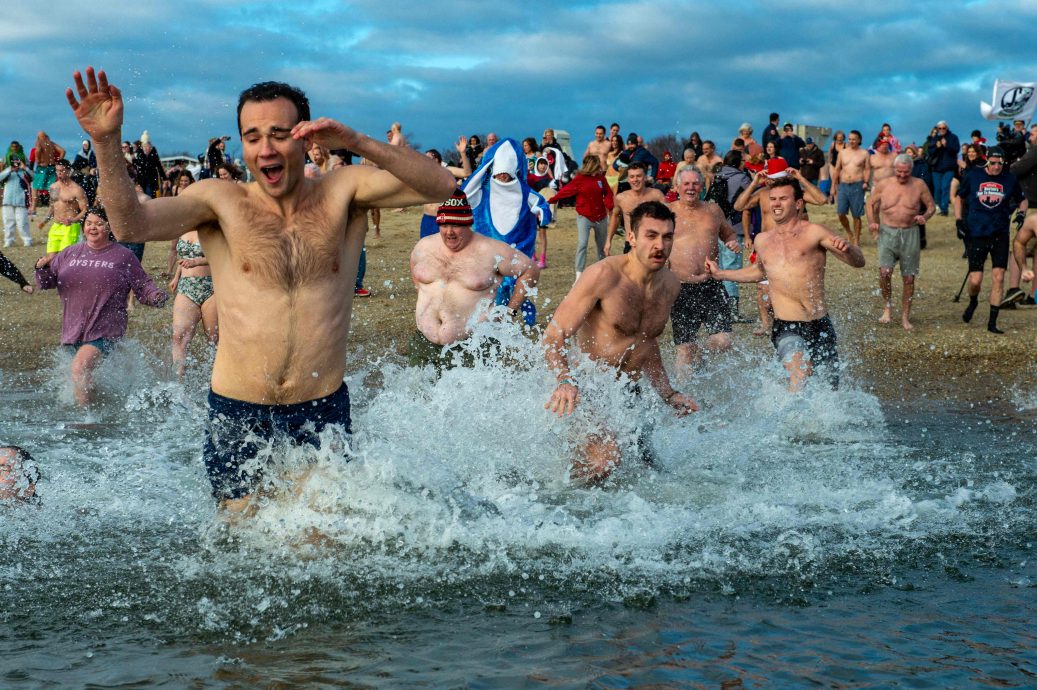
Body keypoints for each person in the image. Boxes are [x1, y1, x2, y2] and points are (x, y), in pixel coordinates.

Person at [66, 67, 455, 509]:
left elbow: (443, 185)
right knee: (241, 546)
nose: (265, 148)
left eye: (278, 134)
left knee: (316, 546)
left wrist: (357, 141)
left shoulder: (344, 192)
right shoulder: (220, 201)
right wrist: (105, 142)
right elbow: (131, 222)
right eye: (251, 137)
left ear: (306, 138)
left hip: (318, 408)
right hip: (237, 409)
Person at [543, 200, 697, 482]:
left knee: (650, 472)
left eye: (667, 236)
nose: (660, 245)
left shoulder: (670, 285)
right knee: (604, 462)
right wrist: (564, 380)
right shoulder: (604, 276)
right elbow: (554, 336)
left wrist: (668, 394)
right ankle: (564, 508)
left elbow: (647, 343)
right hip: (588, 387)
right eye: (651, 236)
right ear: (632, 238)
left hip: (630, 392)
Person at [708, 177, 865, 390]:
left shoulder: (814, 232)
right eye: (772, 199)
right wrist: (721, 274)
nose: (775, 204)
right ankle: (791, 422)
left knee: (830, 391)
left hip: (820, 324)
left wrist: (849, 249)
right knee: (800, 374)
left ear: (798, 203)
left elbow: (858, 262)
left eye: (783, 199)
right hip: (786, 326)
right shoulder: (762, 240)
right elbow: (759, 272)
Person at [34, 207, 168, 406]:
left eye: (98, 223)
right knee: (84, 377)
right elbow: (46, 283)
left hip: (105, 328)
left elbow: (142, 285)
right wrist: (41, 268)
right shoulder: (69, 253)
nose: (92, 228)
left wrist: (155, 296)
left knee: (80, 368)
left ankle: (86, 422)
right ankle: (100, 410)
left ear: (109, 227)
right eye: (89, 223)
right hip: (73, 328)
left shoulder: (123, 256)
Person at [409, 190, 539, 367]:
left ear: (468, 224)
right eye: (444, 225)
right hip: (424, 343)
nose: (449, 232)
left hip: (472, 346)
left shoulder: (491, 250)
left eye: (456, 225)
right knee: (418, 392)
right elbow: (418, 282)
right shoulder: (423, 247)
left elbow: (530, 269)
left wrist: (510, 312)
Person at [667, 166, 740, 372]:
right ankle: (681, 399)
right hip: (679, 288)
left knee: (723, 341)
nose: (691, 188)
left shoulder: (713, 210)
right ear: (678, 187)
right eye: (686, 184)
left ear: (702, 186)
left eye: (695, 183)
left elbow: (729, 234)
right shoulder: (668, 211)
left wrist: (732, 242)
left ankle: (699, 354)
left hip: (711, 285)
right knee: (684, 350)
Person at [954, 147, 1027, 333]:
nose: (996, 167)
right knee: (976, 280)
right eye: (993, 163)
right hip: (976, 233)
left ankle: (992, 322)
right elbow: (959, 198)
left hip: (1000, 233)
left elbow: (1022, 200)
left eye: (999, 163)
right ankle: (973, 302)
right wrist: (958, 221)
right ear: (987, 161)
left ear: (1004, 162)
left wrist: (1021, 214)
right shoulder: (973, 175)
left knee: (999, 277)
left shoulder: (1009, 179)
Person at [866, 153, 936, 330]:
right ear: (894, 169)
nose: (903, 175)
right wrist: (872, 222)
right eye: (899, 172)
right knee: (884, 272)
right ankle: (887, 307)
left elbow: (931, 206)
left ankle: (905, 316)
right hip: (887, 232)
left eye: (906, 172)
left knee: (908, 278)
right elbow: (870, 203)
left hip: (910, 233)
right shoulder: (884, 184)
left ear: (911, 170)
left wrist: (925, 216)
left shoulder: (919, 185)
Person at [167, 173, 218, 378]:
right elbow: (183, 256)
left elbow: (224, 256)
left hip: (211, 287)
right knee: (179, 336)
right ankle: (177, 384)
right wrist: (177, 275)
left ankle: (217, 382)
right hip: (187, 286)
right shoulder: (183, 227)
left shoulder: (213, 228)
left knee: (214, 340)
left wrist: (198, 262)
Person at [547, 154, 614, 281]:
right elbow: (566, 190)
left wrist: (610, 204)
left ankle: (604, 273)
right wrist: (552, 200)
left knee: (601, 246)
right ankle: (579, 274)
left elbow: (608, 193)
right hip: (584, 217)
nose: (599, 167)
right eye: (597, 165)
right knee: (582, 244)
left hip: (601, 217)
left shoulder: (601, 178)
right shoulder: (580, 179)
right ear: (591, 166)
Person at [605, 162, 666, 256]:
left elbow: (669, 219)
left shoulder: (657, 195)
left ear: (645, 177)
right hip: (631, 244)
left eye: (639, 176)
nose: (635, 180)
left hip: (652, 244)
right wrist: (608, 241)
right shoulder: (621, 198)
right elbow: (616, 217)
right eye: (632, 177)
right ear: (628, 179)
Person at [418, 137, 471, 239]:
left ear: (436, 159)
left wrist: (463, 153)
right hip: (426, 218)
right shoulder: (424, 175)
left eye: (427, 157)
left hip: (442, 218)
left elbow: (467, 173)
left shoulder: (447, 170)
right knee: (426, 247)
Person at [40, 159, 87, 258]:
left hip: (71, 227)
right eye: (57, 170)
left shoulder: (77, 189)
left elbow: (85, 210)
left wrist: (73, 219)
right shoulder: (53, 187)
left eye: (62, 170)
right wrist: (44, 221)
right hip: (56, 226)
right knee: (51, 258)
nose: (59, 173)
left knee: (65, 258)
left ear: (69, 171)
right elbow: (52, 207)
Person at [830, 130, 870, 245]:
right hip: (843, 185)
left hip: (857, 185)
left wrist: (866, 182)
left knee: (856, 215)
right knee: (841, 213)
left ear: (859, 140)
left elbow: (867, 169)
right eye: (850, 139)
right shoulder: (842, 153)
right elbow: (837, 169)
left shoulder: (864, 153)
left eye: (854, 139)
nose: (851, 141)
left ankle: (856, 240)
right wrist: (833, 186)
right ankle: (849, 233)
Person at [926, 120, 960, 216]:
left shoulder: (953, 137)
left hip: (949, 168)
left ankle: (944, 210)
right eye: (939, 128)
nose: (941, 130)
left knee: (945, 187)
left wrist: (946, 145)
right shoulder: (934, 139)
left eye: (943, 128)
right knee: (937, 189)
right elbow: (930, 152)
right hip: (936, 168)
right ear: (937, 129)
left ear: (947, 128)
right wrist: (937, 147)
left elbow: (956, 150)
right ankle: (941, 208)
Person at [1, 157, 35, 247]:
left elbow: (34, 177)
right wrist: (9, 169)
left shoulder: (24, 172)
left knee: (23, 222)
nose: (16, 164)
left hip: (21, 201)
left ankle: (27, 240)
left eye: (17, 162)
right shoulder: (7, 171)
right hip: (7, 201)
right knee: (8, 222)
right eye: (14, 162)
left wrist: (25, 168)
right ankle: (9, 241)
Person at [31, 132, 65, 208]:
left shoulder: (39, 142)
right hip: (52, 167)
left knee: (35, 187)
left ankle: (33, 208)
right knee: (52, 188)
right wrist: (59, 161)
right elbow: (63, 151)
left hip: (42, 167)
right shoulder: (51, 143)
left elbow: (38, 150)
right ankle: (52, 208)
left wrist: (37, 159)